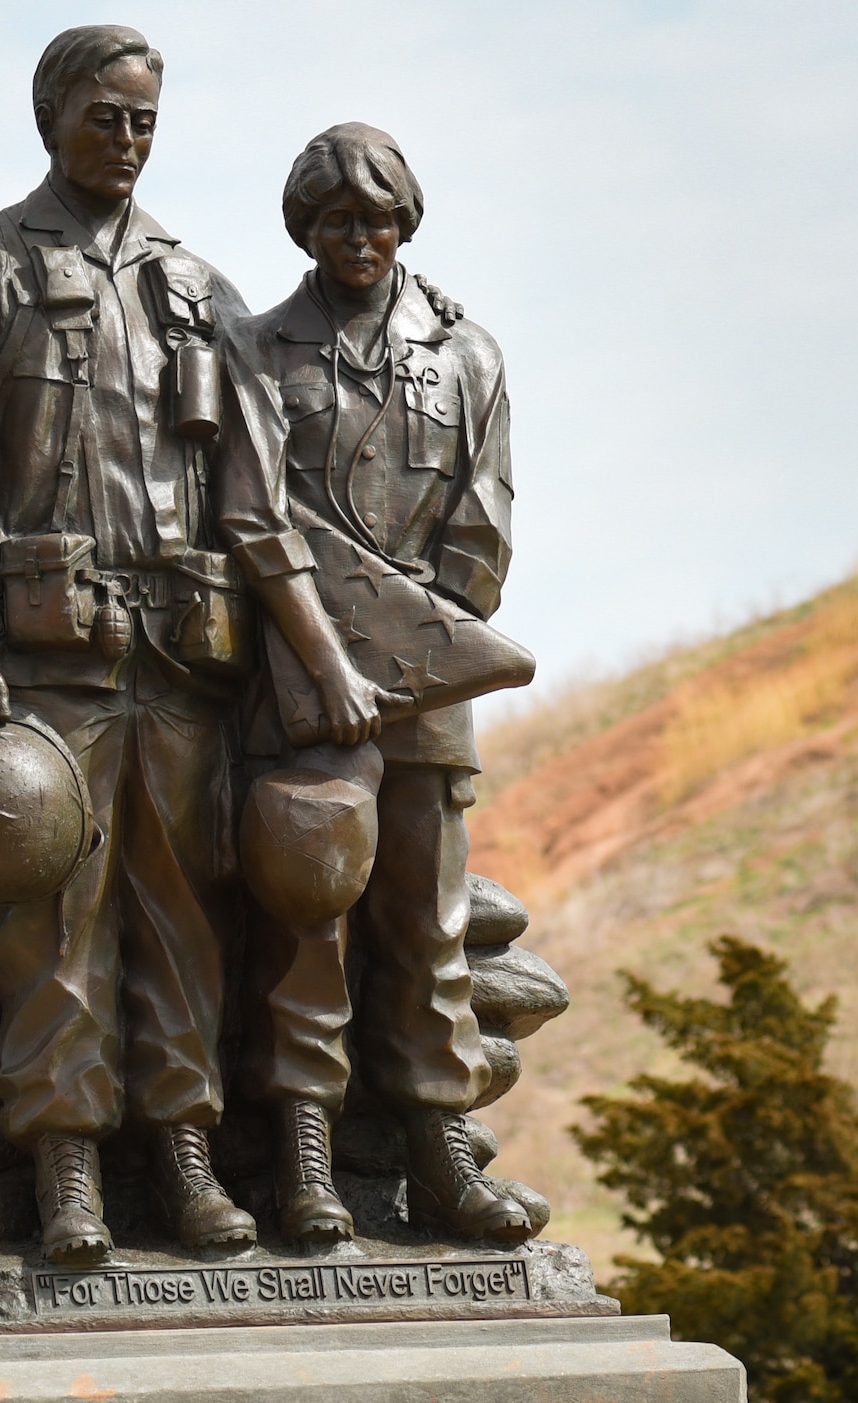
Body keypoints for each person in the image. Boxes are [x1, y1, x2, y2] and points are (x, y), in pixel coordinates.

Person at [0, 25, 257, 1264]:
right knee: (56, 926)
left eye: (147, 116)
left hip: (187, 659)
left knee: (186, 921)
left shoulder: (198, 287)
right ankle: (68, 1166)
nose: (129, 137)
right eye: (106, 113)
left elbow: (258, 491)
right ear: (52, 116)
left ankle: (189, 1157)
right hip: (45, 661)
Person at [218, 123, 530, 1250]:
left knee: (427, 926)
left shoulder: (467, 356)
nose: (361, 236)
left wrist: (413, 648)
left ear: (407, 223)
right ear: (305, 228)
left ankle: (440, 1154)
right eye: (338, 219)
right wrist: (330, 657)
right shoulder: (255, 350)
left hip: (429, 687)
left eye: (379, 217)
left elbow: (482, 526)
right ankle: (305, 1155)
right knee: (305, 921)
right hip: (297, 688)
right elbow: (248, 515)